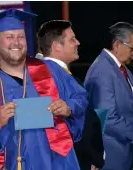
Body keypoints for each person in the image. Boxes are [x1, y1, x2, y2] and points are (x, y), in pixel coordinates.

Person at [0, 8, 88, 170]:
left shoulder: (51, 71)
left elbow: (81, 98)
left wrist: (69, 108)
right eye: (9, 37)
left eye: (21, 36)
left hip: (59, 163)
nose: (16, 42)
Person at [37, 20, 104, 170]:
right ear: (57, 46)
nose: (78, 43)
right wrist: (90, 156)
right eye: (72, 39)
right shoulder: (46, 77)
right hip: (66, 161)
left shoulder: (60, 74)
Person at [84, 22, 133, 170]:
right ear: (118, 44)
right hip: (109, 156)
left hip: (121, 153)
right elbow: (107, 119)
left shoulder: (121, 69)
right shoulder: (102, 71)